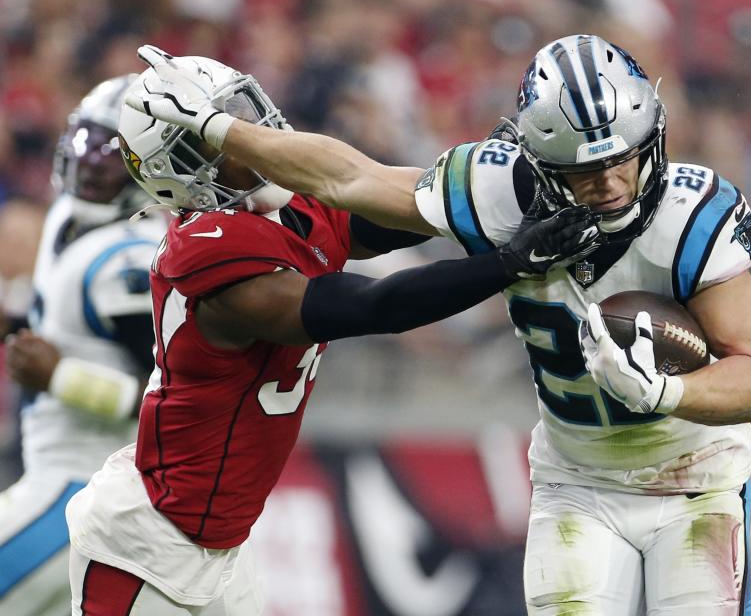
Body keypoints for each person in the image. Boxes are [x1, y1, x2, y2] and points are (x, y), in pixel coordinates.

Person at [126, 36, 751, 615]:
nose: (613, 184)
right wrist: (221, 131)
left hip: (694, 476)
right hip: (577, 480)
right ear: (541, 162)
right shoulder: (498, 190)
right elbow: (351, 178)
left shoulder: (687, 211)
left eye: (626, 158)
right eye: (585, 171)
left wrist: (669, 394)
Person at [65, 53, 599, 615]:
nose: (252, 137)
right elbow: (372, 306)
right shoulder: (206, 252)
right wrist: (507, 263)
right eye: (220, 136)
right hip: (151, 546)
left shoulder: (285, 209)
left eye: (241, 114)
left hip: (224, 546)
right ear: (185, 173)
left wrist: (482, 192)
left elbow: (386, 215)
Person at [0, 75, 165, 616]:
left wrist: (61, 378)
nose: (93, 161)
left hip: (86, 491)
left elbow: (170, 399)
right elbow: (73, 327)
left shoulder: (135, 257)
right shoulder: (71, 221)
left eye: (114, 153)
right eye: (88, 141)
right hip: (52, 476)